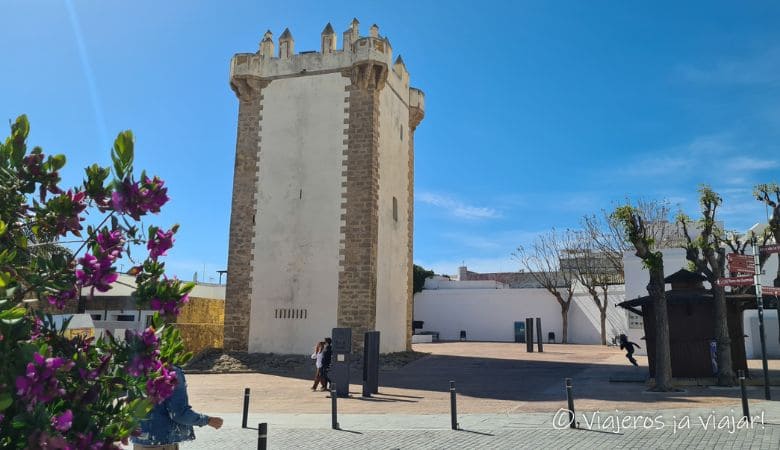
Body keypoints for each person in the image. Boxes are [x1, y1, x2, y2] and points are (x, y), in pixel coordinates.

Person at [133, 366, 223, 450]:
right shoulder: (171, 372)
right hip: (162, 441)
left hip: (140, 439)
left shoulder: (137, 365)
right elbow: (179, 413)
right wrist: (208, 420)